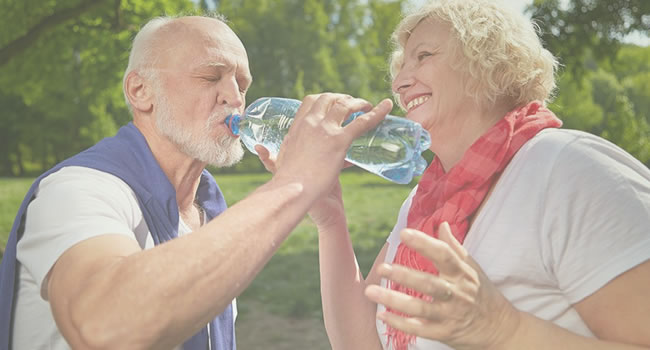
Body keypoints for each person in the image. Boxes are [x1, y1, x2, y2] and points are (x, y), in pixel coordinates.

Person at [0, 14, 393, 349]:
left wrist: (326, 215)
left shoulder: (208, 206)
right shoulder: (78, 190)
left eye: (242, 83)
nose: (235, 98)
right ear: (140, 91)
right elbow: (104, 326)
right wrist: (294, 183)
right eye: (210, 77)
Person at [305, 0, 650, 349]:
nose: (399, 82)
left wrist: (508, 331)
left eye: (423, 56)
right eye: (402, 64)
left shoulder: (568, 168)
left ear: (488, 63)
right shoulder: (424, 204)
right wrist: (330, 216)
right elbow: (362, 343)